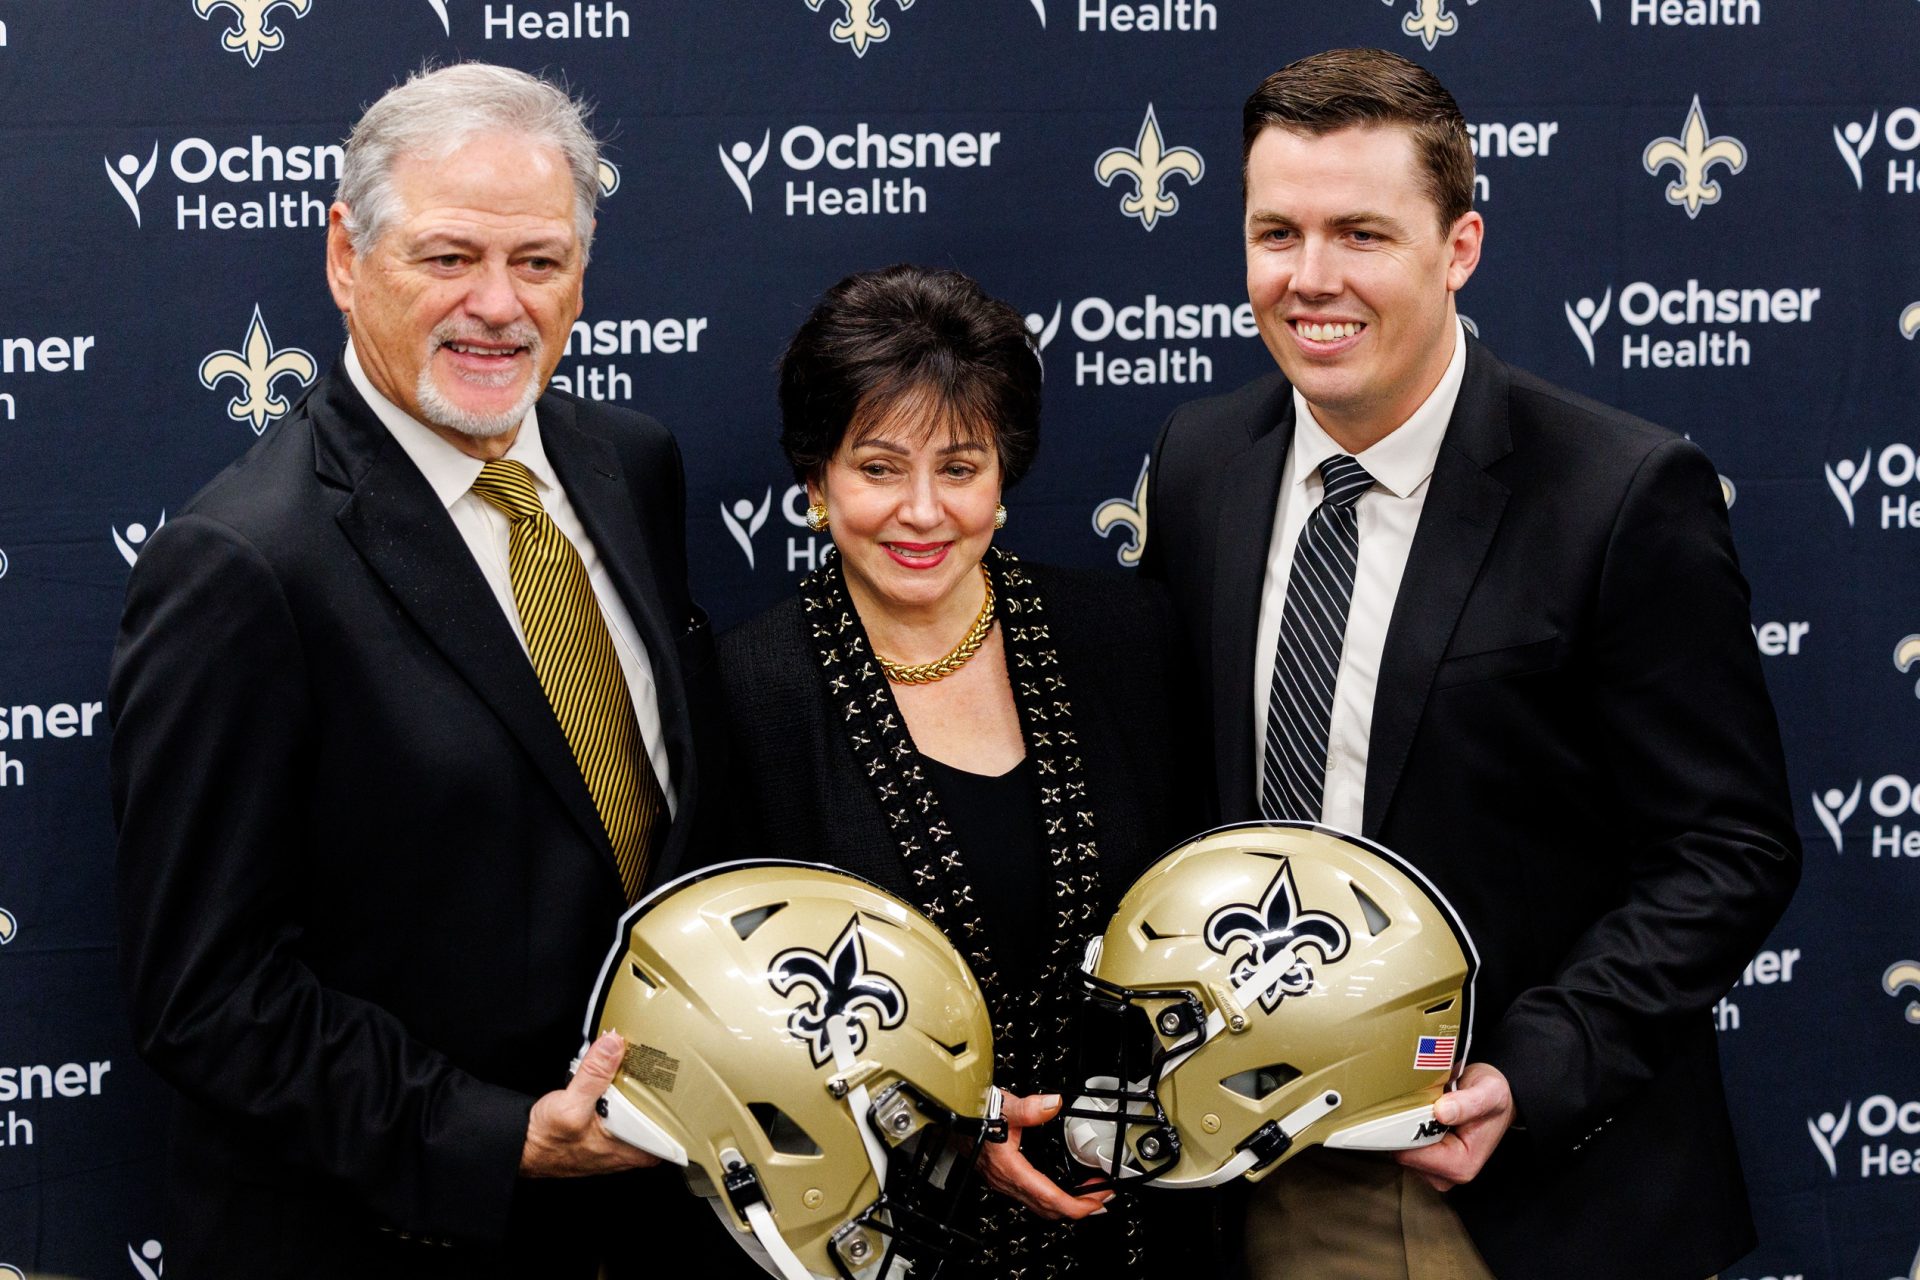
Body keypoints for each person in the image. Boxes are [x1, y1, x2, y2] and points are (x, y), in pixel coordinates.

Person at [1139, 48, 1800, 1280]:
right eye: (1275, 231)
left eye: (1362, 234)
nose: (1311, 279)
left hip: (1514, 1193)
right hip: (1249, 1171)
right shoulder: (1198, 461)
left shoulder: (1619, 493)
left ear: (1461, 248)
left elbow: (1731, 846)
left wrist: (1529, 1071)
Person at [108, 63, 722, 1278]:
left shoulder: (630, 465)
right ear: (347, 259)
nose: (498, 305)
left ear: (582, 277)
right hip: (392, 1232)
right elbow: (209, 993)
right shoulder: (239, 565)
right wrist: (501, 1138)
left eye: (538, 262)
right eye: (448, 258)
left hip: (648, 1226)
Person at [716, 264, 1210, 1279]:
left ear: (1005, 473)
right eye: (880, 466)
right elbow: (746, 1024)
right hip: (887, 1237)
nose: (923, 511)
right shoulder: (750, 690)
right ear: (816, 480)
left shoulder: (1124, 636)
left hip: (1136, 1229)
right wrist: (947, 1128)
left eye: (961, 465)